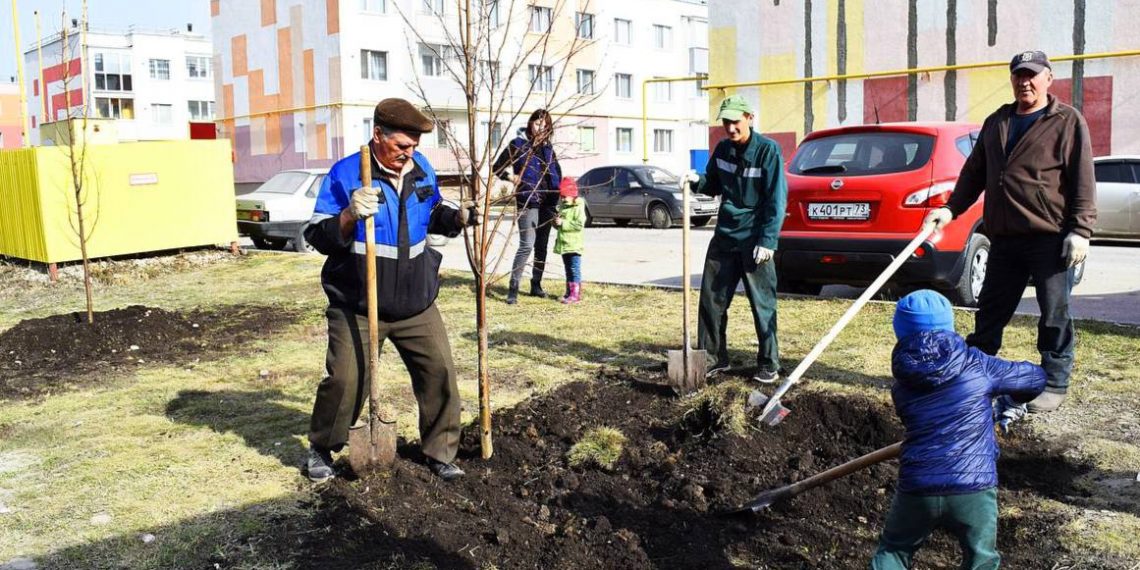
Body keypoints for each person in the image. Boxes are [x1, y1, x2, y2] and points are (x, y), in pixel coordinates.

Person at [302, 98, 478, 483]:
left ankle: (440, 451)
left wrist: (457, 218)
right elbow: (316, 234)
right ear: (378, 135)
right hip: (360, 305)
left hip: (416, 301)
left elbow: (432, 213)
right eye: (401, 146)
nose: (408, 154)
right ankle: (322, 447)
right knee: (347, 381)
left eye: (414, 146)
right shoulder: (348, 173)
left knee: (440, 373)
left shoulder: (421, 169)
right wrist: (348, 215)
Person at [924, 50, 1097, 413]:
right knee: (990, 309)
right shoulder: (998, 121)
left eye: (1033, 75)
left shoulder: (1066, 121)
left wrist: (1080, 230)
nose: (1025, 81)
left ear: (1048, 78)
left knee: (1054, 313)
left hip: (1049, 238)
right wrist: (949, 209)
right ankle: (973, 370)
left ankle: (1054, 380)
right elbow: (973, 173)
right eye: (1019, 75)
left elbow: (1082, 178)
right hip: (1003, 237)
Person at [871, 290, 1045, 569]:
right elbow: (1035, 379)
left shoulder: (901, 387)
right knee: (982, 560)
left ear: (899, 332)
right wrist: (1010, 399)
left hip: (918, 487)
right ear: (950, 325)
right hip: (973, 487)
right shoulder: (979, 365)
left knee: (893, 550)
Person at [683, 95, 788, 383]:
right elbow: (713, 184)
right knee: (711, 300)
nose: (730, 128)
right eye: (726, 122)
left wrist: (768, 240)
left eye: (735, 121)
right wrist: (697, 181)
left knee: (762, 303)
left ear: (749, 118)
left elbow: (776, 200)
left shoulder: (768, 151)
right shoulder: (723, 149)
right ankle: (714, 358)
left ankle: (769, 362)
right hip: (725, 235)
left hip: (755, 238)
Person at [493, 109, 563, 304]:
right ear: (531, 123)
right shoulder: (518, 145)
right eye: (538, 123)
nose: (541, 127)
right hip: (528, 201)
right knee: (527, 245)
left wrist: (560, 200)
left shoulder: (549, 150)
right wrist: (512, 177)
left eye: (545, 124)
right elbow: (496, 167)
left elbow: (558, 175)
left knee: (542, 246)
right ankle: (513, 289)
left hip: (548, 202)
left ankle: (536, 285)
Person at [553, 177, 586, 304]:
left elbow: (579, 225)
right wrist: (555, 223)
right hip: (564, 244)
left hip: (574, 244)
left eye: (565, 196)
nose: (562, 199)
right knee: (568, 269)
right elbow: (559, 226)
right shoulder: (562, 206)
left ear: (572, 195)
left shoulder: (578, 206)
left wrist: (563, 223)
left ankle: (575, 294)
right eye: (561, 196)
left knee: (574, 269)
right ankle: (569, 292)